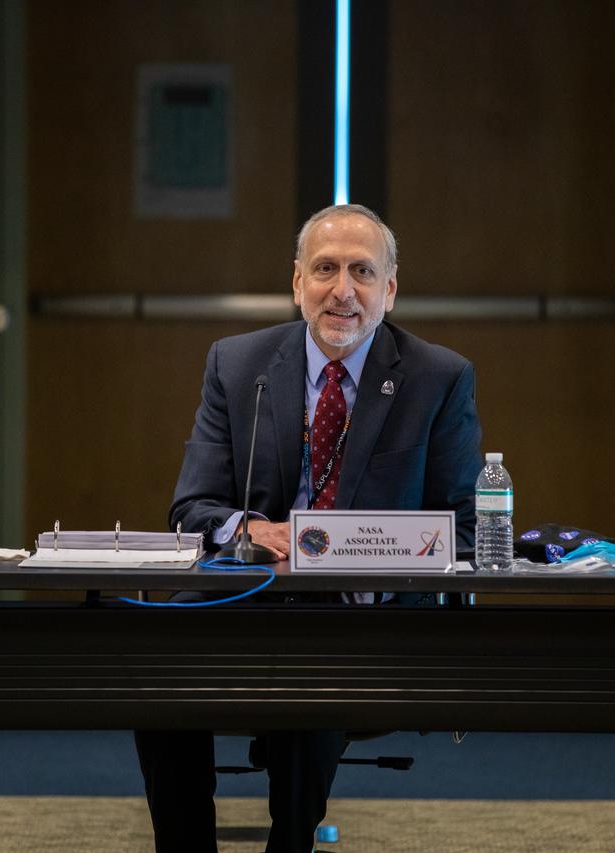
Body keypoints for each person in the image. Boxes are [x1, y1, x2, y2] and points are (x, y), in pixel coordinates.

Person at [134, 203, 483, 853]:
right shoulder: (239, 366)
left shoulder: (437, 377)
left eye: (362, 271)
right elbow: (192, 507)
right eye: (325, 268)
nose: (342, 289)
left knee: (310, 672)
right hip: (246, 595)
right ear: (297, 283)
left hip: (361, 615)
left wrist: (365, 552)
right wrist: (252, 529)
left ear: (390, 289)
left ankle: (289, 844)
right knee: (158, 666)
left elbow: (464, 530)